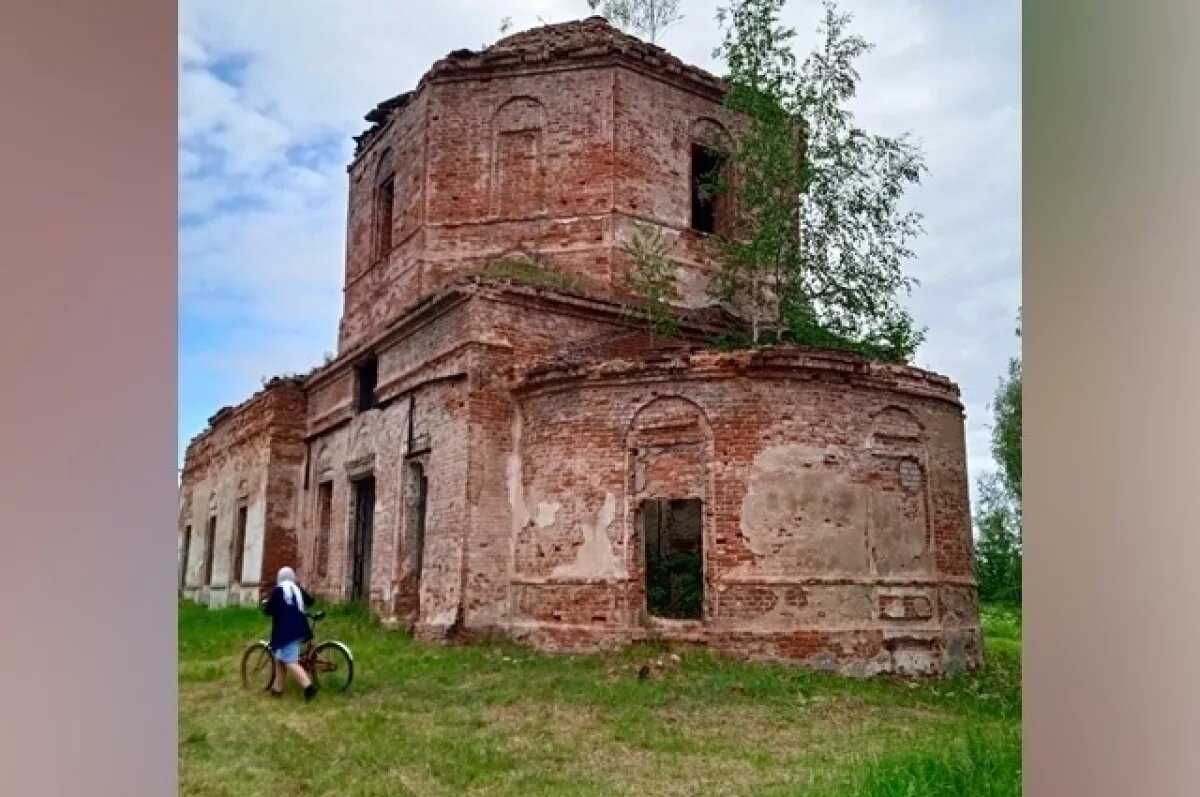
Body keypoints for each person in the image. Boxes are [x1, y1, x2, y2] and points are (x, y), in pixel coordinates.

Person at [261, 566, 319, 701]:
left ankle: (309, 687)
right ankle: (277, 689)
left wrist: (266, 606)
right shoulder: (296, 589)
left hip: (287, 631)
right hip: (300, 628)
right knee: (279, 658)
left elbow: (269, 610)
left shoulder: (279, 590)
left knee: (290, 661)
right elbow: (310, 601)